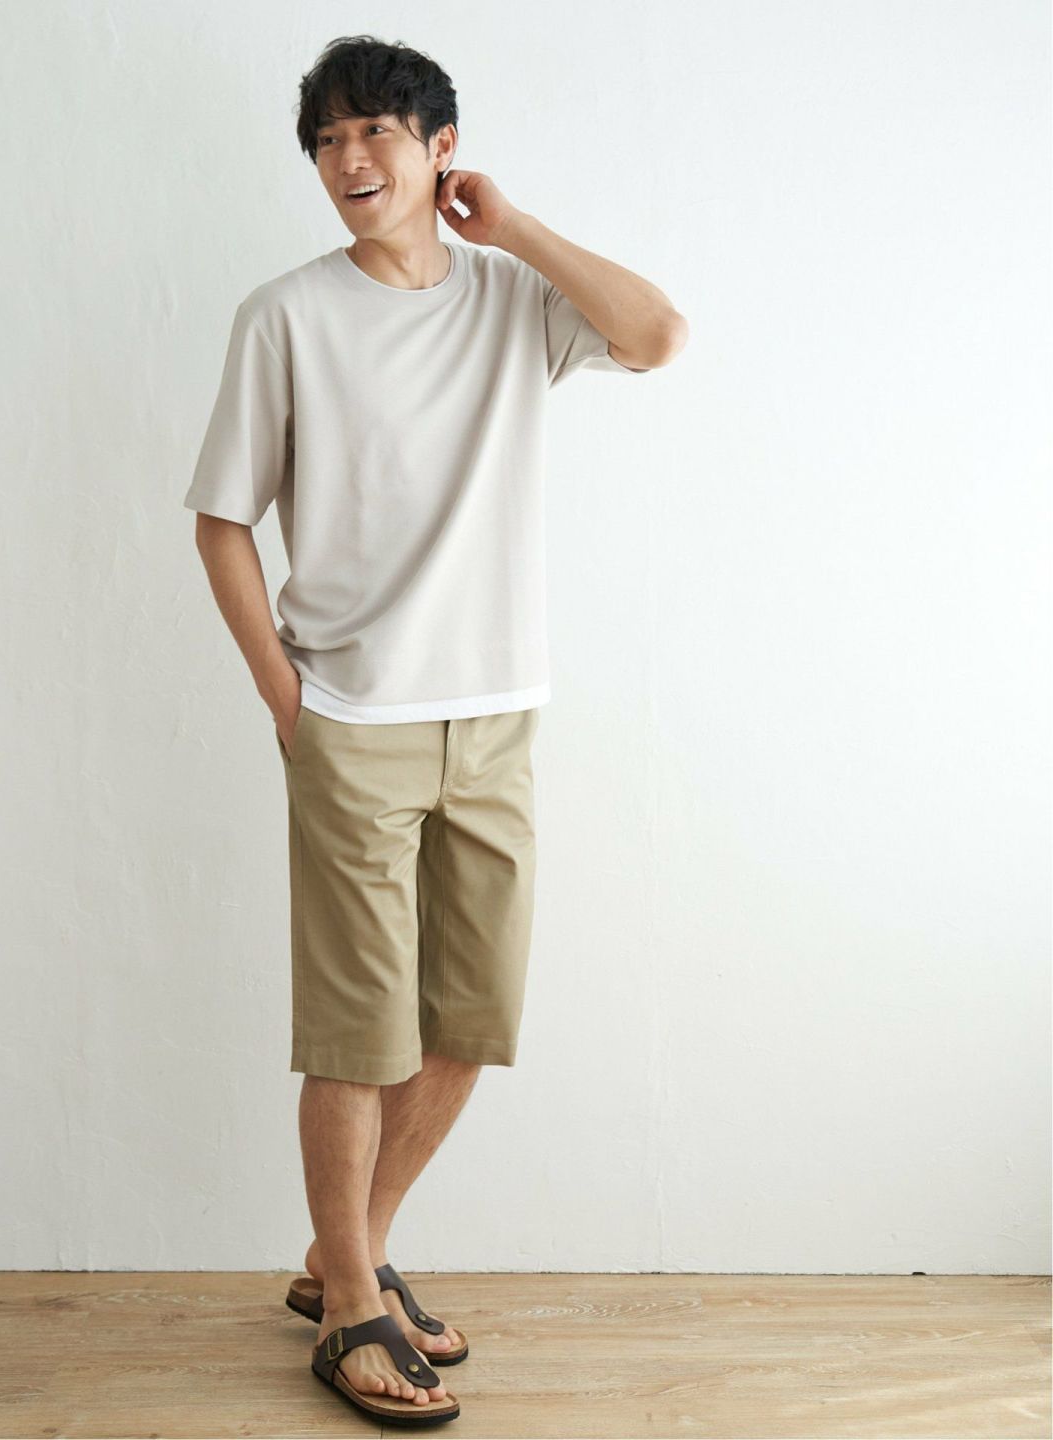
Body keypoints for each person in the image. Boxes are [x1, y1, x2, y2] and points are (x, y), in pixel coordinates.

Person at [184, 33, 688, 1427]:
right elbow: (221, 522)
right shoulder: (286, 316)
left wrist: (511, 226)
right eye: (328, 141)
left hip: (500, 712)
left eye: (377, 133)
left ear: (439, 147)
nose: (349, 160)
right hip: (352, 718)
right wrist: (286, 701)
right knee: (357, 1035)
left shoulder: (514, 301)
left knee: (469, 1018)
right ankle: (352, 1302)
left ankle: (342, 1251)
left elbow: (657, 335)